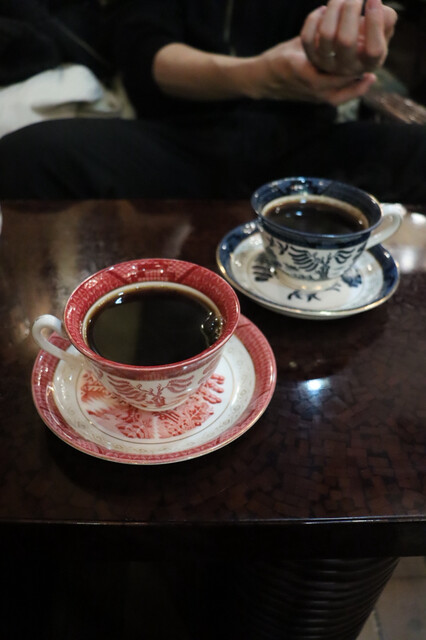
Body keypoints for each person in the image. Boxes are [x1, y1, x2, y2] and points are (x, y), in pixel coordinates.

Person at [0, 0, 424, 202]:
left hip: (300, 147)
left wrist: (348, 53)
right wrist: (259, 77)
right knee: (28, 156)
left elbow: (345, 39)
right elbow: (145, 56)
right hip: (179, 146)